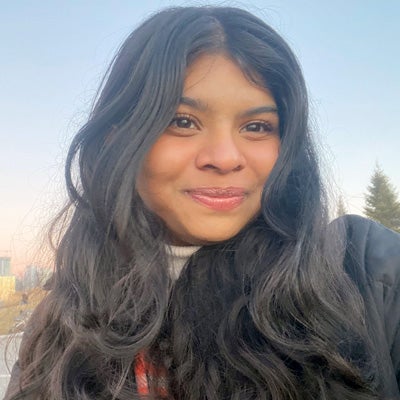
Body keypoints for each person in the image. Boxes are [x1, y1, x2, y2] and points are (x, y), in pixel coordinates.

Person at [5, 6, 400, 400]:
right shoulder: (60, 330)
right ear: (116, 137)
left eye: (257, 127)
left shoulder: (367, 275)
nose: (225, 157)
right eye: (182, 121)